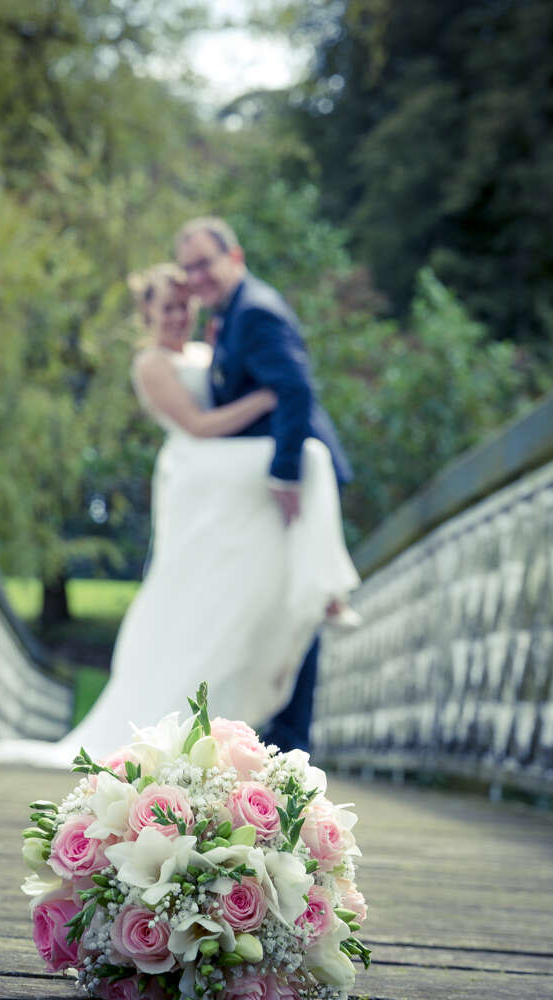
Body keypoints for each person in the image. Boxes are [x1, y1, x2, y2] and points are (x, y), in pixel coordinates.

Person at [0, 262, 357, 768]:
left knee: (300, 479)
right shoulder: (151, 364)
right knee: (311, 460)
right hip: (201, 465)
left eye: (184, 306)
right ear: (147, 314)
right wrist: (269, 395)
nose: (178, 316)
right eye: (167, 308)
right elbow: (198, 424)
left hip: (222, 475)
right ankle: (329, 588)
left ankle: (318, 590)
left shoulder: (206, 352)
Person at [175, 217, 357, 752]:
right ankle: (277, 738)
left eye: (205, 262)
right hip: (272, 487)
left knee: (297, 604)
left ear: (235, 256)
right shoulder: (230, 314)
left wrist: (284, 473)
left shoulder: (255, 310)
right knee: (275, 603)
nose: (196, 276)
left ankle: (291, 742)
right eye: (188, 268)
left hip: (293, 484)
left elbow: (295, 388)